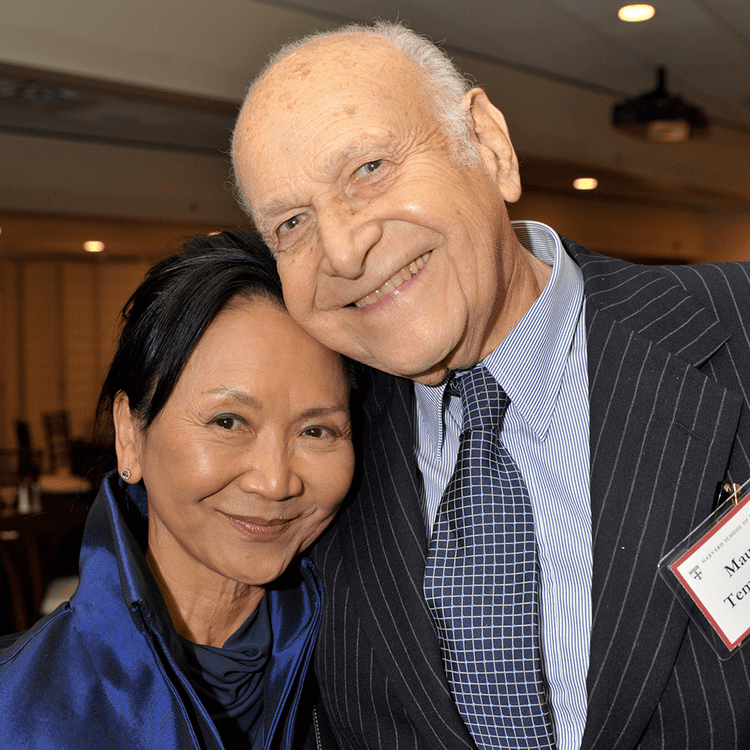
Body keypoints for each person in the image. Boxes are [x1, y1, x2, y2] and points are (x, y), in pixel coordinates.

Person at [231, 20, 750, 750]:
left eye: (370, 169)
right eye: (291, 221)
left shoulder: (737, 331)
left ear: (490, 146)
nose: (344, 251)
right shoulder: (318, 458)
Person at [0, 230, 352, 750]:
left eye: (316, 431)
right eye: (228, 421)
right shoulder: (19, 707)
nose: (276, 482)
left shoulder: (370, 675)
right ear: (130, 435)